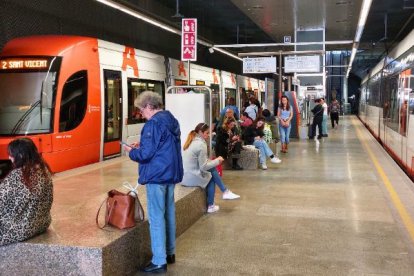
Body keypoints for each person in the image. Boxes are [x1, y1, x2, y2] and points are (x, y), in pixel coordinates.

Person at [124, 91, 183, 274]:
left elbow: (145, 155)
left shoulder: (152, 124)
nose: (142, 114)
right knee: (169, 214)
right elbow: (161, 147)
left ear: (150, 106)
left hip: (157, 176)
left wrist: (130, 151)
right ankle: (170, 253)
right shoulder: (171, 120)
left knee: (156, 219)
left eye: (142, 110)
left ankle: (159, 261)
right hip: (171, 174)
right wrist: (142, 146)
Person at [0, 138, 53, 246]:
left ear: (20, 156)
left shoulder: (18, 176)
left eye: (11, 154)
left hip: (18, 230)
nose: (9, 157)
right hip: (41, 223)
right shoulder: (43, 170)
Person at [182, 123, 240, 213]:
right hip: (192, 177)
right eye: (207, 133)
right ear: (200, 132)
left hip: (185, 177)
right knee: (212, 174)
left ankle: (222, 194)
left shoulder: (191, 141)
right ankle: (218, 198)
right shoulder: (201, 144)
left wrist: (213, 161)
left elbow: (201, 162)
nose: (209, 136)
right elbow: (204, 166)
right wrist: (217, 161)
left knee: (211, 171)